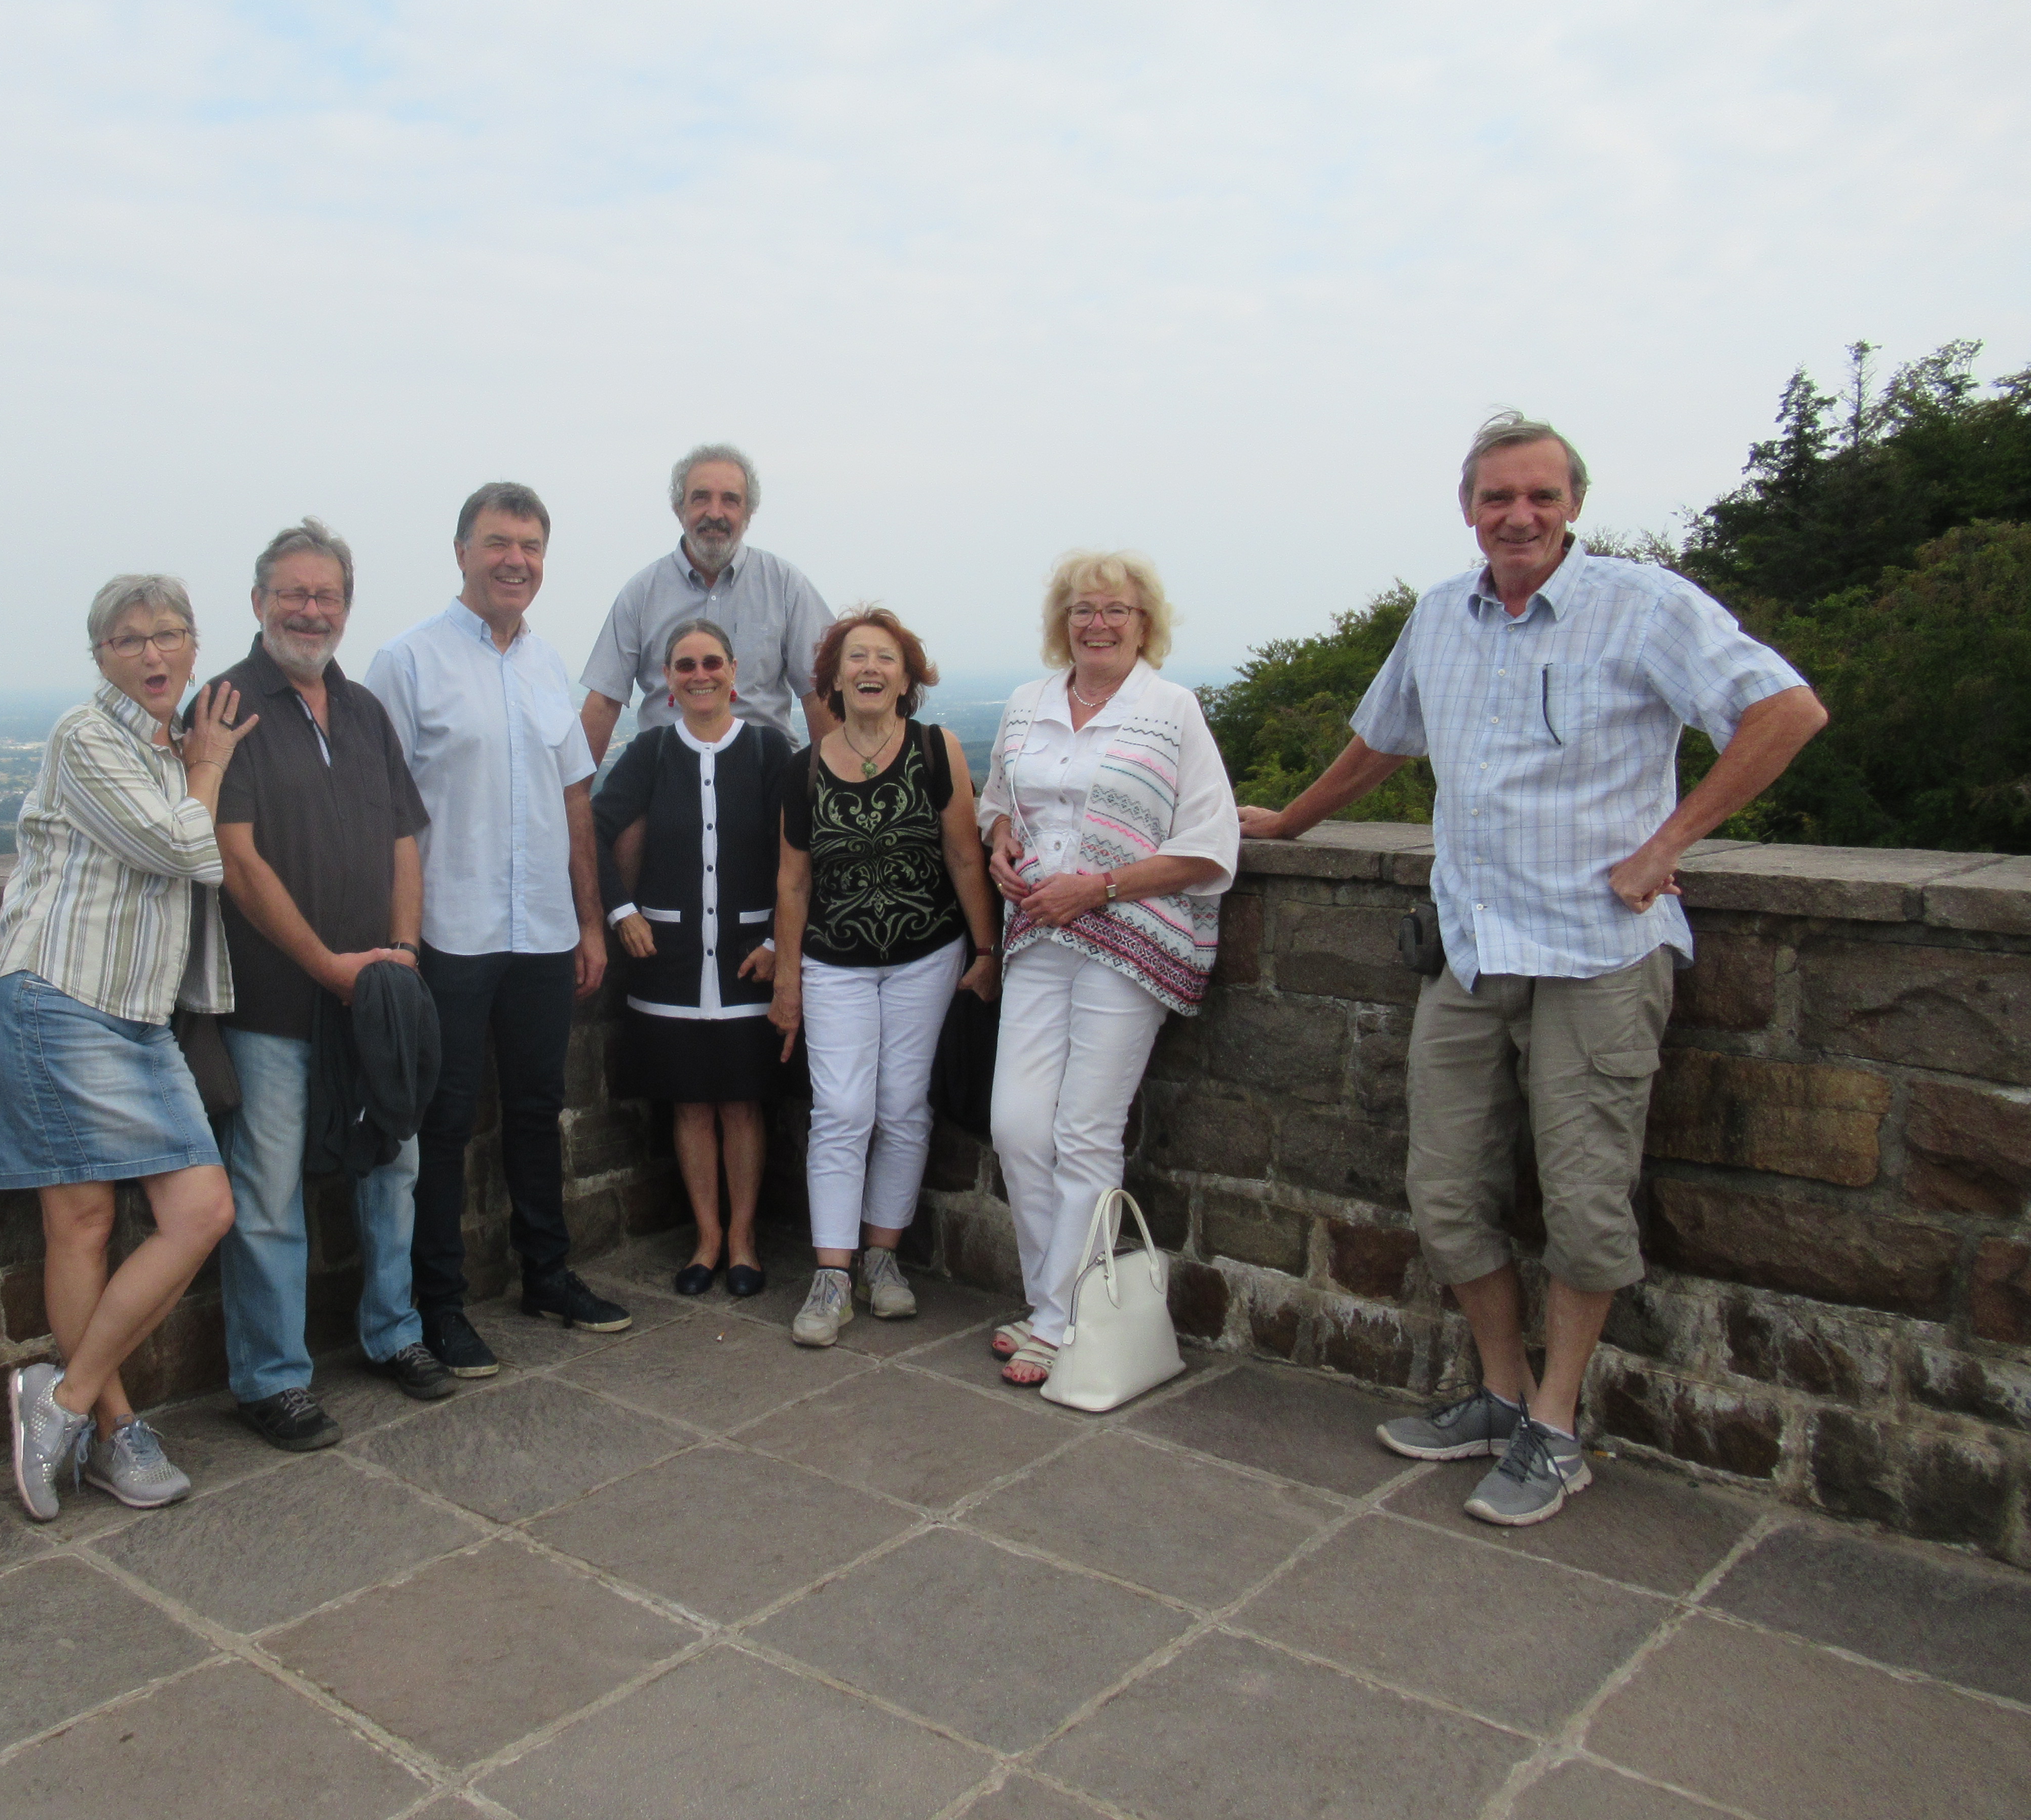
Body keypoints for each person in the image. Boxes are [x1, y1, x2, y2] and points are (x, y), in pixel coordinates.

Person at [1240, 411, 1828, 1526]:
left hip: (1598, 954)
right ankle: (1502, 1396)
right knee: (1445, 1191)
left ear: (1572, 506)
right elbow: (1384, 738)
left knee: (1585, 1202)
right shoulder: (1439, 616)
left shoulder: (1641, 604)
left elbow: (1785, 711)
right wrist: (1291, 823)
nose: (1518, 516)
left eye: (1540, 496)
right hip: (1472, 950)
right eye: (1497, 497)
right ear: (1467, 508)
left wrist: (1667, 845)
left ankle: (1556, 1430)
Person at [0, 575, 253, 1520]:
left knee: (201, 1210)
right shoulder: (85, 737)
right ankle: (112, 1430)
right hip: (56, 995)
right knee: (83, 1222)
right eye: (129, 640)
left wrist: (194, 762)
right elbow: (181, 849)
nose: (153, 653)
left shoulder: (168, 751)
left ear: (194, 644)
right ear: (100, 656)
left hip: (137, 1016)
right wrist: (209, 766)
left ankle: (60, 1399)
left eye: (169, 634)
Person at [367, 482, 633, 1377]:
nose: (515, 560)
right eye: (498, 543)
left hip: (542, 931)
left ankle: (546, 1275)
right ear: (461, 552)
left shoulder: (547, 664)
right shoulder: (407, 663)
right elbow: (382, 810)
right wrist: (399, 937)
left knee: (534, 1108)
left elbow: (574, 801)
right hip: (448, 927)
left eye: (530, 546)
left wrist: (589, 921)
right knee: (441, 1123)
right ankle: (438, 1306)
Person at [209, 520, 454, 1456]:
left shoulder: (362, 711)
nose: (310, 611)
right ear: (259, 600)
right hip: (273, 1004)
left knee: (393, 1169)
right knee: (268, 1192)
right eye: (294, 593)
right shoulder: (226, 705)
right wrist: (326, 965)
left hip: (375, 996)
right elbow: (235, 859)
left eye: (327, 596)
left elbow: (402, 840)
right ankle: (272, 1379)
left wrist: (401, 951)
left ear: (346, 607)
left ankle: (394, 1332)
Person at [979, 553, 1239, 1389]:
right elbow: (998, 803)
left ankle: (1061, 1321)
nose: (1097, 623)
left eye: (1115, 610)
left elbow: (1210, 844)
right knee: (1017, 1125)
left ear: (1142, 622)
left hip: (1128, 940)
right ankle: (1049, 1304)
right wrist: (1000, 844)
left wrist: (1098, 887)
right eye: (1082, 609)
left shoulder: (1170, 710)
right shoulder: (1026, 702)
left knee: (1085, 1131)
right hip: (1037, 933)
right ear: (1063, 621)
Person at [770, 607, 1000, 1347]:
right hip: (834, 963)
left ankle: (882, 1258)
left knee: (903, 1107)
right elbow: (793, 883)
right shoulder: (804, 769)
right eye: (856, 657)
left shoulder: (937, 749)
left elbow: (964, 856)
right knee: (841, 1109)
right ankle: (832, 1276)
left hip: (926, 956)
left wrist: (987, 951)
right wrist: (786, 983)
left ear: (907, 679)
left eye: (886, 658)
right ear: (834, 680)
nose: (870, 668)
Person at [590, 619, 795, 1297]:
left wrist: (778, 944)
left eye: (711, 662)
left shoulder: (767, 751)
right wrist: (620, 911)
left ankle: (744, 1240)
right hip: (670, 963)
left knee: (741, 1103)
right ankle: (706, 1239)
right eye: (685, 665)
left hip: (746, 960)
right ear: (668, 681)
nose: (699, 675)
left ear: (734, 672)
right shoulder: (650, 752)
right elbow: (590, 829)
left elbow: (797, 855)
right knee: (689, 1105)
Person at [577, 443, 837, 760]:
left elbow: (821, 694)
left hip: (766, 776)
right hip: (668, 776)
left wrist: (829, 784)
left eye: (730, 500)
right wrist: (578, 788)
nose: (715, 513)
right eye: (701, 498)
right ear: (679, 509)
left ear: (749, 513)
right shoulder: (641, 594)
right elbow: (604, 702)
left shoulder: (786, 587)